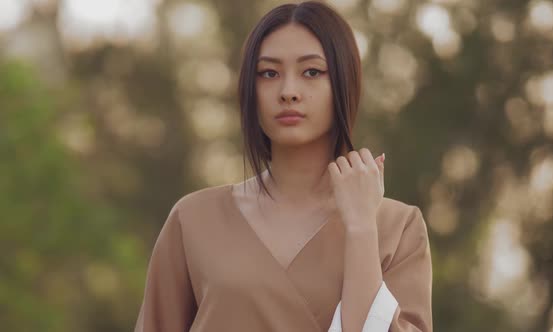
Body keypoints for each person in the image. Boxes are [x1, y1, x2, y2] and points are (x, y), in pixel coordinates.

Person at [134, 1, 432, 331]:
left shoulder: (399, 228)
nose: (288, 91)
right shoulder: (192, 220)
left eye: (312, 72)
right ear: (250, 88)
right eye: (269, 73)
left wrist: (361, 227)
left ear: (344, 83)